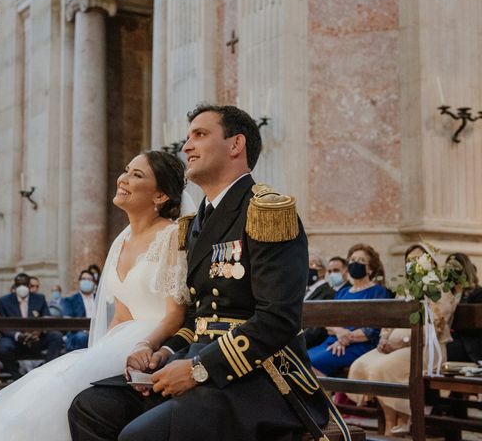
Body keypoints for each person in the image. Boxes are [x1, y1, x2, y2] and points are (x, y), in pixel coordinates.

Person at [70, 104, 341, 441]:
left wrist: (200, 369)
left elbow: (278, 320)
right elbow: (198, 319)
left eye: (199, 135)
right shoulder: (193, 224)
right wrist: (164, 353)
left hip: (260, 379)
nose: (186, 147)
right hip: (196, 361)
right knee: (91, 407)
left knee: (139, 435)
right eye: (187, 138)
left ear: (235, 144)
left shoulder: (267, 211)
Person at [0, 150, 190, 441]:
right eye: (125, 170)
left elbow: (176, 314)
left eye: (137, 175)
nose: (123, 178)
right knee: (43, 387)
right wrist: (95, 355)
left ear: (160, 196)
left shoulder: (172, 235)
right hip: (119, 341)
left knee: (58, 392)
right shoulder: (121, 240)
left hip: (150, 342)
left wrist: (144, 346)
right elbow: (121, 315)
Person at [348, 244, 460, 435]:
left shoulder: (439, 289)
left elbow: (437, 326)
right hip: (393, 346)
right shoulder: (406, 289)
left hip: (425, 348)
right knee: (360, 364)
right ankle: (394, 421)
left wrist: (405, 340)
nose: (413, 264)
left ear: (430, 262)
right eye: (409, 261)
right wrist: (383, 338)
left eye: (418, 259)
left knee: (380, 369)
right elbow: (390, 319)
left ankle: (396, 423)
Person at [307, 243, 391, 377]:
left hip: (359, 344)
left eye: (361, 260)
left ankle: (325, 396)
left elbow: (372, 330)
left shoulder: (378, 292)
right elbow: (328, 323)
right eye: (352, 260)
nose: (355, 263)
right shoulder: (343, 292)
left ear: (370, 269)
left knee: (312, 364)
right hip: (333, 341)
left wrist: (346, 338)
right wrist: (339, 332)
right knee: (300, 361)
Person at [0, 272, 63, 381]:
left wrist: (39, 331)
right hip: (16, 340)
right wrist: (18, 335)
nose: (22, 287)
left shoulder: (39, 298)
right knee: (3, 346)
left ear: (29, 285)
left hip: (36, 338)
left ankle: (47, 373)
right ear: (15, 286)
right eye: (19, 285)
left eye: (25, 284)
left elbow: (47, 318)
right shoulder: (4, 301)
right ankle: (17, 378)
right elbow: (2, 325)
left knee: (56, 336)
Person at [304, 256, 349, 348]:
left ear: (322, 271)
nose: (306, 267)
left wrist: (294, 342)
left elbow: (317, 329)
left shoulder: (328, 294)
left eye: (311, 264)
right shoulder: (302, 291)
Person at [446, 252, 482, 363]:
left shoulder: (478, 293)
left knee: (447, 349)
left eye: (455, 269)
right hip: (448, 338)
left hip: (467, 343)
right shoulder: (446, 293)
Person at [62, 270, 98, 351]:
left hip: (98, 331)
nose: (86, 281)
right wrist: (86, 331)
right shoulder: (70, 300)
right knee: (82, 337)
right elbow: (68, 321)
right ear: (79, 281)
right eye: (84, 279)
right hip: (78, 333)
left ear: (94, 283)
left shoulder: (99, 299)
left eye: (89, 279)